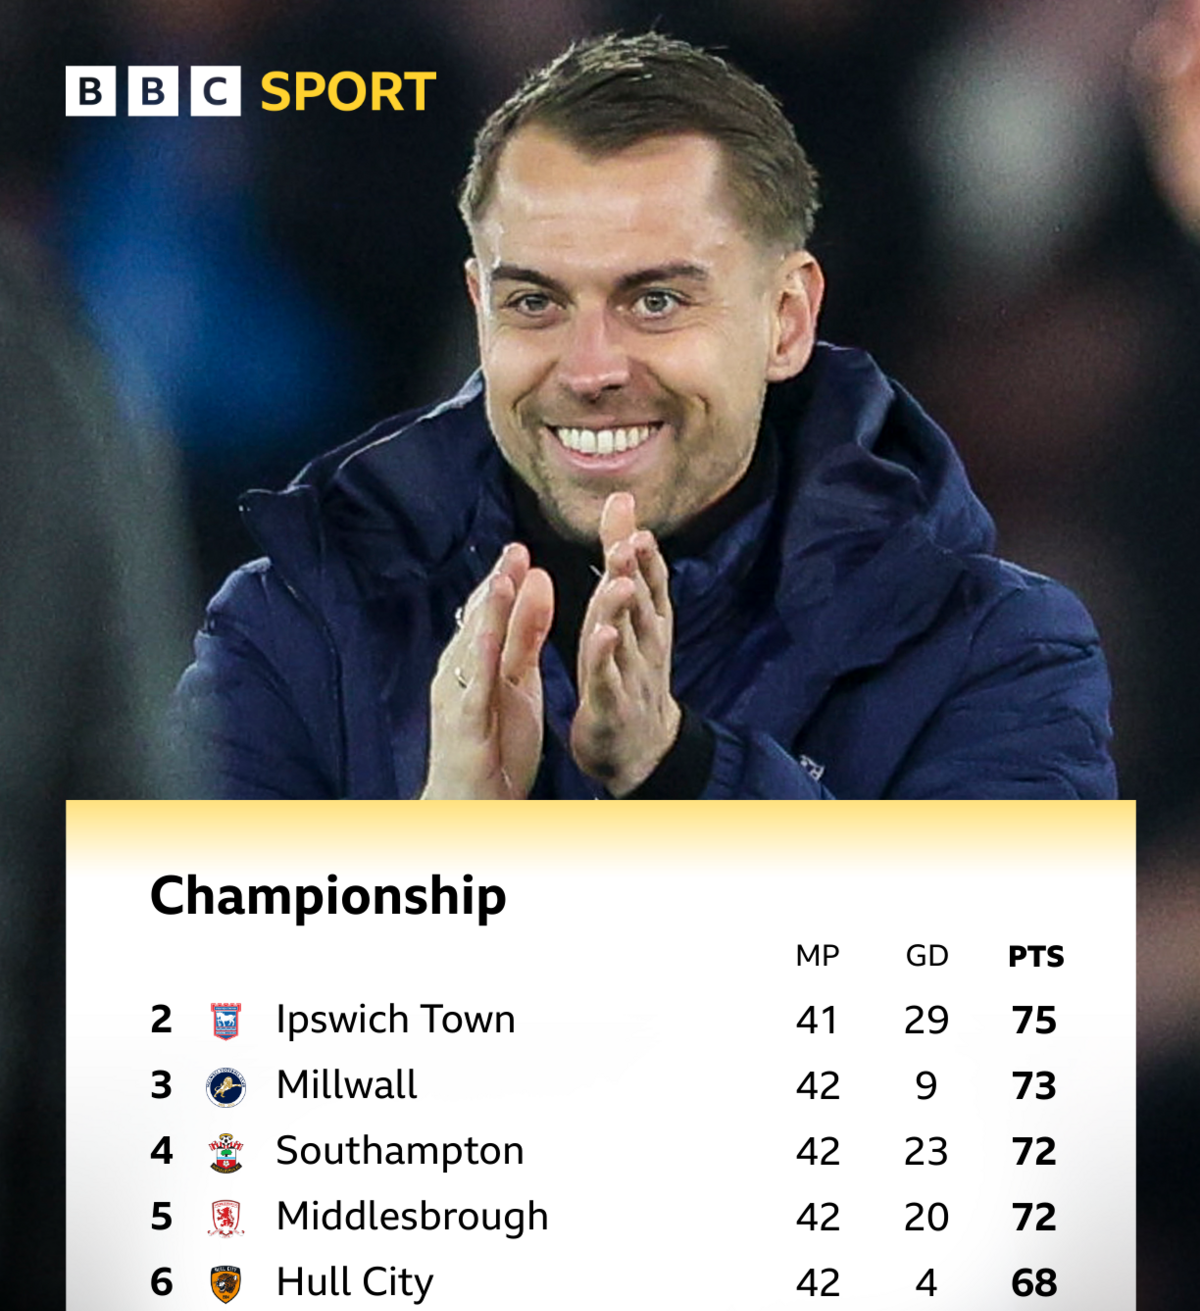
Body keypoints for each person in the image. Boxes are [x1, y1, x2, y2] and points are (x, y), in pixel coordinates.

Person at [175, 32, 1114, 804]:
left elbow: (980, 1015)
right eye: (536, 302)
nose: (590, 370)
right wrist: (442, 868)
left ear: (787, 319)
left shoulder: (998, 655)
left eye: (656, 302)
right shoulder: (291, 627)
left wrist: (681, 775)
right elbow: (170, 1014)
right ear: (478, 308)